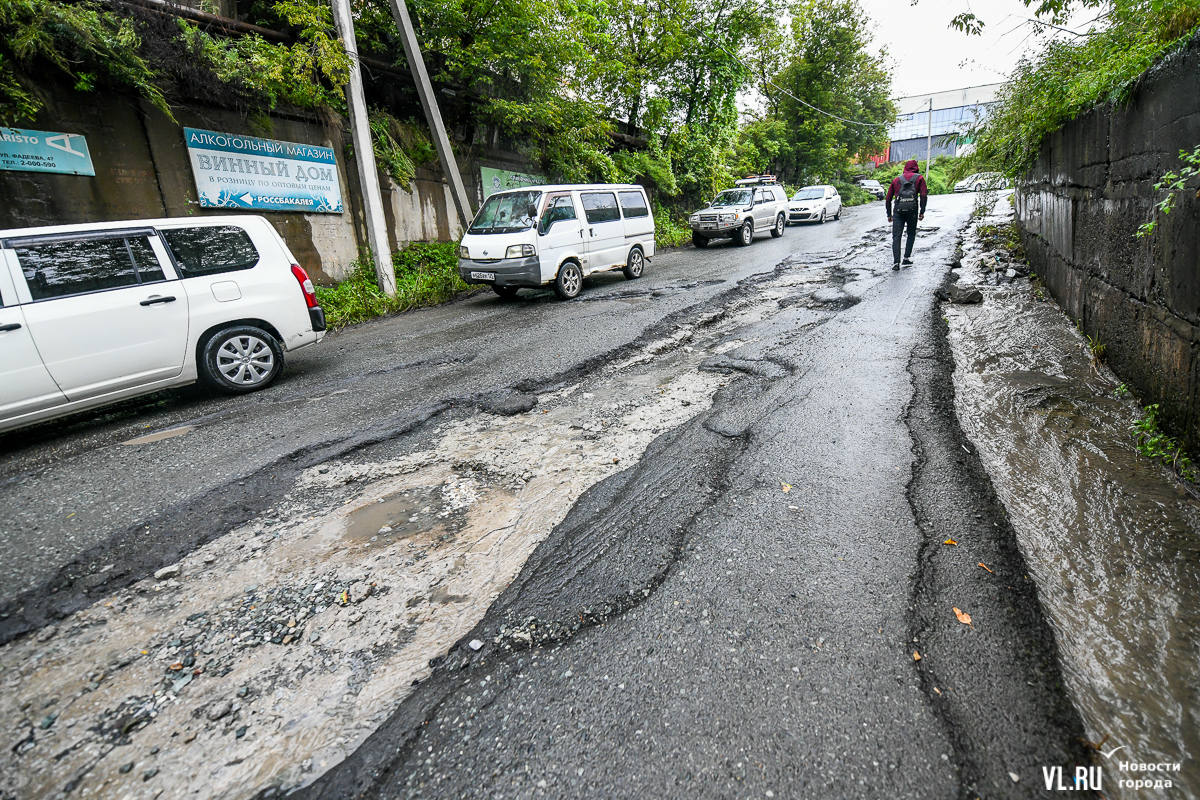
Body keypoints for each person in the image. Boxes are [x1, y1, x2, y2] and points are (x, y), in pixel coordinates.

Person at [885, 159, 928, 270]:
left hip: (898, 211)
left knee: (896, 236)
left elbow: (888, 198)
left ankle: (896, 262)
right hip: (912, 210)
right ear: (916, 167)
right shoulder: (919, 178)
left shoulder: (896, 180)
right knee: (911, 233)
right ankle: (906, 257)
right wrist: (922, 211)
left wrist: (889, 214)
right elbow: (923, 195)